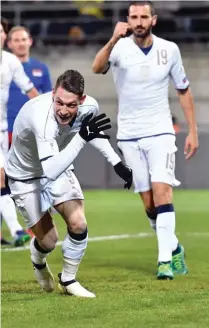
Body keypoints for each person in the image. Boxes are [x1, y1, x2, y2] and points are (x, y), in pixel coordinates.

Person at [91, 1, 199, 280]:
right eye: (134, 17)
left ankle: (164, 262)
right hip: (128, 134)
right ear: (127, 20)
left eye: (144, 16)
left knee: (163, 193)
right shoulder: (120, 48)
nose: (138, 21)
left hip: (161, 131)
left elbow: (184, 91)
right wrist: (114, 37)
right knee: (149, 205)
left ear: (154, 20)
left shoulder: (169, 50)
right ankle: (174, 248)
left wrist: (192, 131)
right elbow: (96, 67)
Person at [4, 69, 133, 297]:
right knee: (49, 241)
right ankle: (38, 259)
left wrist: (116, 163)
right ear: (53, 93)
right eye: (59, 102)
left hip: (58, 165)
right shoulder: (40, 116)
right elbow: (51, 169)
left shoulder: (89, 107)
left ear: (81, 100)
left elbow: (91, 131)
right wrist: (82, 137)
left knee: (78, 223)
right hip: (25, 176)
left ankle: (69, 279)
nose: (63, 111)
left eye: (71, 105)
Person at [1, 17, 39, 246]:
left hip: (3, 130)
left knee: (2, 179)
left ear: (4, 36)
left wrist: (49, 114)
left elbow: (30, 90)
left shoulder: (11, 62)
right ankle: (16, 229)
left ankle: (16, 231)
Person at [7, 25, 53, 144]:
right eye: (16, 40)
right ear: (9, 44)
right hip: (6, 128)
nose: (21, 44)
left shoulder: (41, 68)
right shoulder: (3, 68)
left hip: (32, 129)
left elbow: (49, 100)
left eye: (23, 39)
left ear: (30, 41)